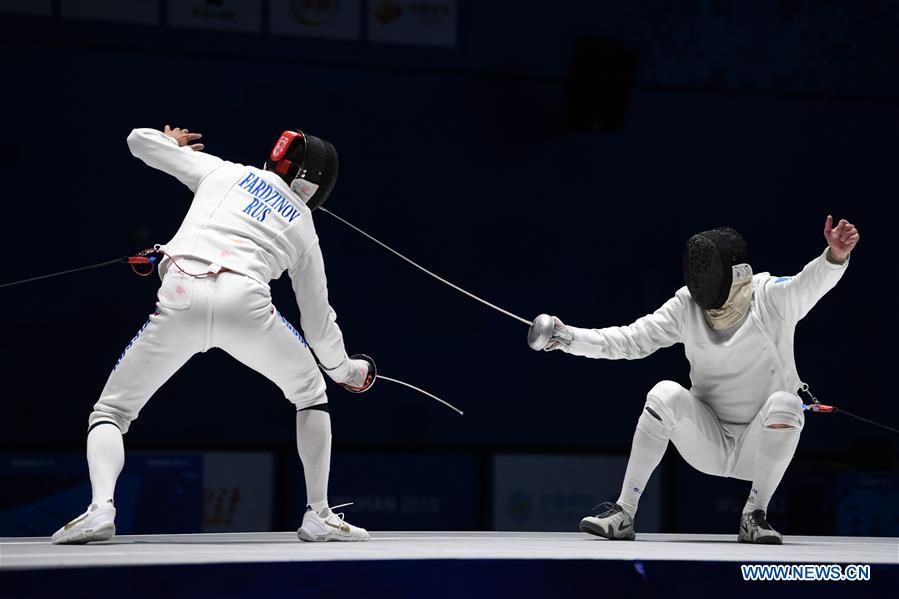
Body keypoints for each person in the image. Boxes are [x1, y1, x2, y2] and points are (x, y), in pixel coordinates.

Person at [52, 126, 373, 544]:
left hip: (180, 296)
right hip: (245, 305)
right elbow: (318, 323)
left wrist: (172, 144)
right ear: (314, 186)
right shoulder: (305, 228)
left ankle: (99, 511)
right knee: (310, 392)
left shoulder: (224, 172)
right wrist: (346, 371)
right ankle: (318, 514)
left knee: (111, 413)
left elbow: (137, 141)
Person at [532, 217, 859, 544]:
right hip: (708, 440)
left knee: (786, 404)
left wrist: (835, 256)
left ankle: (754, 515)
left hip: (760, 448)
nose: (703, 280)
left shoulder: (770, 298)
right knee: (664, 394)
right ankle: (623, 512)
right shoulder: (685, 305)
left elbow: (808, 283)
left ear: (735, 273)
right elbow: (630, 340)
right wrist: (567, 337)